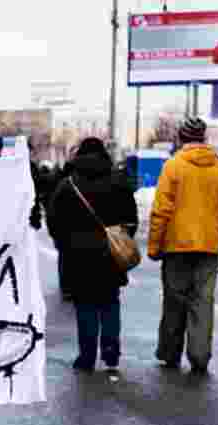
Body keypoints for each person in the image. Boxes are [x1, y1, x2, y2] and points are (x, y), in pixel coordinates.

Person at [149, 117, 218, 375]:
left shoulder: (173, 167)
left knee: (174, 301)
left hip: (176, 247)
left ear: (181, 137)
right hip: (208, 249)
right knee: (203, 302)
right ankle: (199, 357)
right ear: (204, 138)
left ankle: (169, 353)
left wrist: (155, 247)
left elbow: (160, 212)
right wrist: (213, 222)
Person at [47, 137, 138, 373]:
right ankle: (110, 351)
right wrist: (121, 238)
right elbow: (131, 219)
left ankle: (86, 357)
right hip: (110, 254)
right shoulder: (118, 182)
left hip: (78, 257)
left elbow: (54, 221)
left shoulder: (68, 185)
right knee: (110, 302)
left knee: (85, 304)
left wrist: (64, 243)